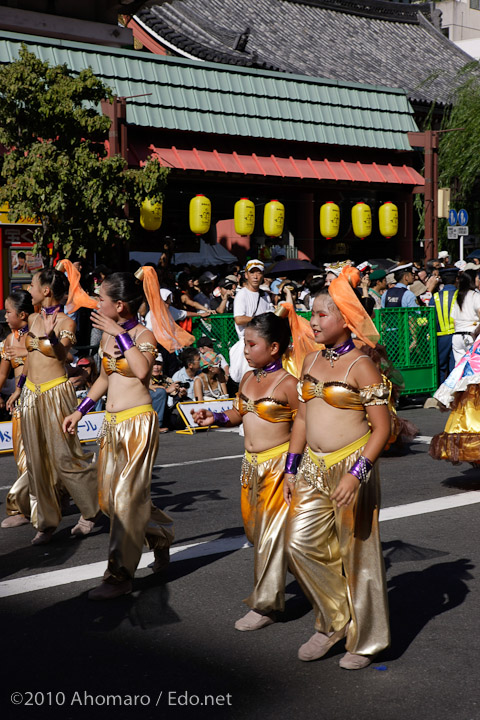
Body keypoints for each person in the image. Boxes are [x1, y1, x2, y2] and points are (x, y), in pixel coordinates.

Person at [283, 265, 391, 670]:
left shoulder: (362, 366)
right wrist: (291, 468)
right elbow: (303, 420)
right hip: (312, 464)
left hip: (352, 464)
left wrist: (356, 473)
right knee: (297, 543)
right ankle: (333, 619)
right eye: (312, 314)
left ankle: (366, 641)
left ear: (345, 319)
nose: (313, 321)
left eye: (321, 315)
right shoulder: (309, 360)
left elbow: (382, 428)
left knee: (358, 554)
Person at [63, 268, 186, 599]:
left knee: (125, 501)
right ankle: (160, 534)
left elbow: (143, 371)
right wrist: (80, 410)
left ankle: (119, 576)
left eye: (101, 298)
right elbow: (104, 378)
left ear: (119, 306)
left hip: (138, 424)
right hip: (111, 424)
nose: (96, 302)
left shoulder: (144, 336)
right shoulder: (105, 336)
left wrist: (120, 333)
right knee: (108, 500)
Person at [192, 313, 298, 631]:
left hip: (278, 466)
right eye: (244, 343)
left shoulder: (289, 385)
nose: (246, 350)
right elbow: (239, 412)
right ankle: (316, 576)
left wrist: (293, 469)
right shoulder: (249, 379)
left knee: (268, 537)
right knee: (255, 533)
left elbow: (305, 427)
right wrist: (214, 417)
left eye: (252, 344)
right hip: (250, 466)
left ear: (275, 347)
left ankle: (266, 605)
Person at [6, 269, 99, 545]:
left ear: (46, 290)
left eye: (33, 284)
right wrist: (21, 387)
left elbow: (61, 354)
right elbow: (31, 359)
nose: (29, 288)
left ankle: (90, 511)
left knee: (65, 457)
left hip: (56, 393)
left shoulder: (66, 322)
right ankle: (45, 521)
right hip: (32, 395)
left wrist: (51, 338)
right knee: (36, 462)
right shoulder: (33, 318)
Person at [0, 290, 34, 528]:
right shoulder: (8, 340)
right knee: (22, 456)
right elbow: (3, 372)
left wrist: (20, 388)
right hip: (19, 402)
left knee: (48, 456)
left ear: (22, 314)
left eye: (8, 311)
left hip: (41, 399)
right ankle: (25, 508)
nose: (5, 315)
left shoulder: (36, 335)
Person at [230, 260, 273, 383]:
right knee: (250, 381)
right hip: (249, 344)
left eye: (258, 273)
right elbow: (239, 319)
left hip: (265, 344)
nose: (255, 276)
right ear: (246, 275)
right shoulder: (242, 295)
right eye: (252, 273)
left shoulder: (265, 295)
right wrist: (260, 319)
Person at [429, 268, 459, 382]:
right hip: (457, 335)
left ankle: (441, 393)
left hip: (440, 336)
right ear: (456, 279)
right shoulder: (460, 294)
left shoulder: (435, 297)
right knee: (455, 366)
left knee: (441, 367)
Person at [450, 269, 480, 365]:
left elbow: (454, 320)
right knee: (475, 368)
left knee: (459, 367)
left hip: (457, 336)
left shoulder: (458, 297)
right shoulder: (475, 296)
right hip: (471, 335)